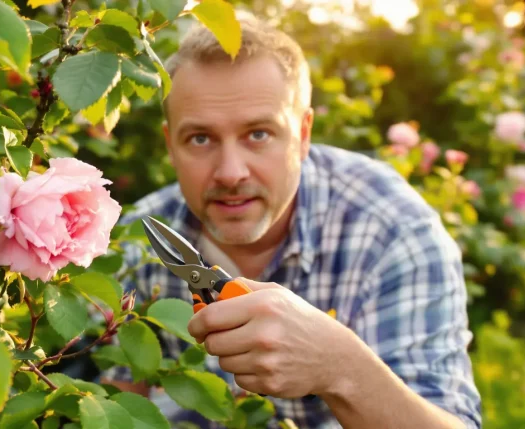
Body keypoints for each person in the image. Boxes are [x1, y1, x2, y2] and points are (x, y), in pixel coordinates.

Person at [101, 13, 482, 429]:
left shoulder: (393, 232)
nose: (230, 172)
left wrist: (342, 367)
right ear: (170, 146)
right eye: (201, 138)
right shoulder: (137, 244)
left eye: (258, 134)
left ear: (303, 135)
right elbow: (118, 405)